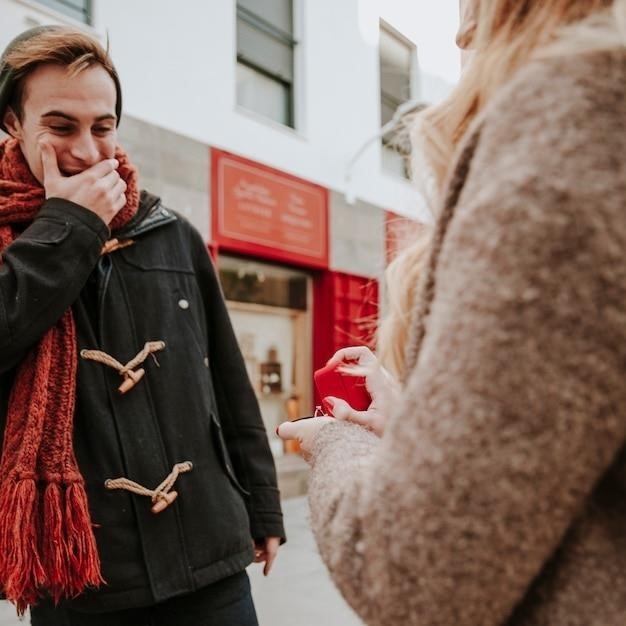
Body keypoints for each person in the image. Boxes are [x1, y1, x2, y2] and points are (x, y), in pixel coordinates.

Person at [278, 1, 626, 625]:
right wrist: (417, 421)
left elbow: (413, 573)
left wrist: (336, 442)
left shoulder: (568, 134)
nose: (459, 32)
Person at [0, 25, 285, 624]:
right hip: (81, 571)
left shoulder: (170, 230)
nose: (87, 149)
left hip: (209, 555)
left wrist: (262, 508)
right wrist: (67, 227)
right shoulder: (11, 241)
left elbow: (228, 382)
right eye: (60, 127)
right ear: (11, 123)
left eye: (103, 127)